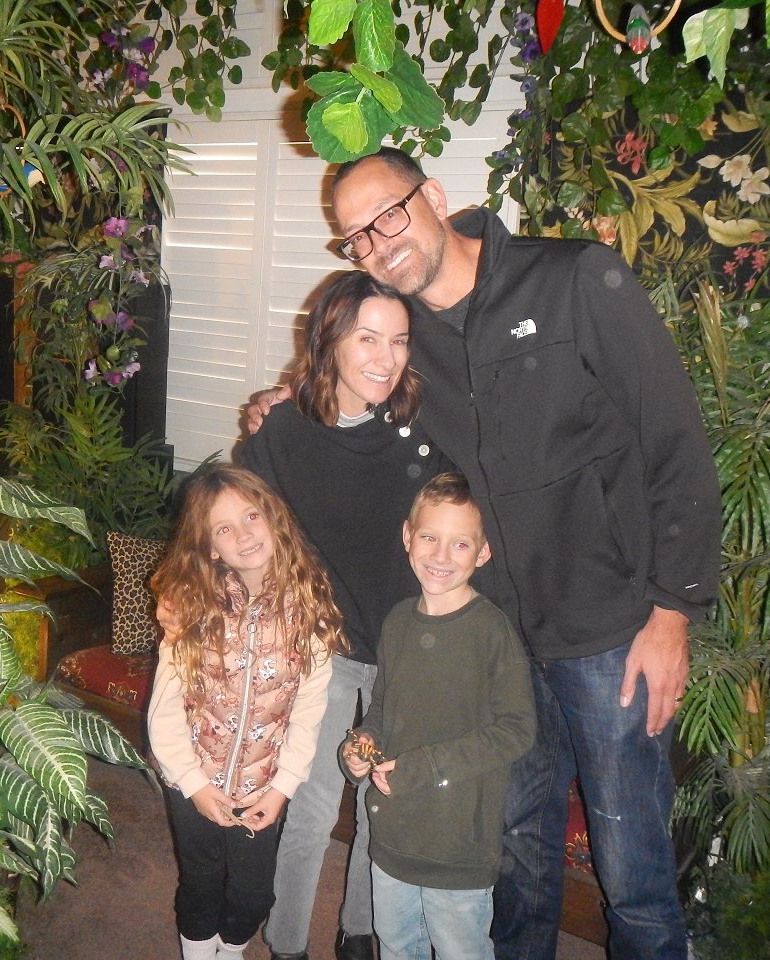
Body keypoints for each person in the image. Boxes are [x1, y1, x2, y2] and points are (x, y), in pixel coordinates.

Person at [250, 146, 721, 960]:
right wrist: (290, 395)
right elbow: (354, 367)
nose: (377, 244)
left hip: (608, 630)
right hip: (496, 634)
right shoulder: (405, 334)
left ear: (433, 196)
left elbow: (673, 438)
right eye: (357, 237)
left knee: (632, 872)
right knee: (514, 856)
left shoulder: (573, 281)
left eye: (387, 215)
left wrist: (673, 611)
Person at [238, 270, 449, 960]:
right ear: (329, 339)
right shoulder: (283, 431)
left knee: (377, 807)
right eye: (367, 338)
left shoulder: (422, 429)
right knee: (309, 806)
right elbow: (248, 538)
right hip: (322, 651)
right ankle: (288, 942)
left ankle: (359, 933)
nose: (386, 358)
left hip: (403, 651)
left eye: (399, 340)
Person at [147, 465, 347, 960]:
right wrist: (192, 783)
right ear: (211, 547)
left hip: (261, 788)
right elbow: (166, 708)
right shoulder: (191, 607)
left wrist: (282, 788)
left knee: (254, 894)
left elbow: (308, 712)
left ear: (274, 519)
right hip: (191, 776)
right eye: (223, 528)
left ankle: (231, 948)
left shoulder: (310, 609)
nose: (243, 534)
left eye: (252, 516)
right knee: (200, 881)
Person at [342, 472, 535, 960]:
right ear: (408, 536)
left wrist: (426, 767)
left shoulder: (491, 631)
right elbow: (382, 707)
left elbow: (517, 730)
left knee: (459, 949)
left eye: (460, 544)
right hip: (393, 834)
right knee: (395, 943)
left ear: (483, 553)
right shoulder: (397, 622)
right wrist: (361, 744)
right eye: (429, 537)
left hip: (458, 843)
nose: (441, 555)